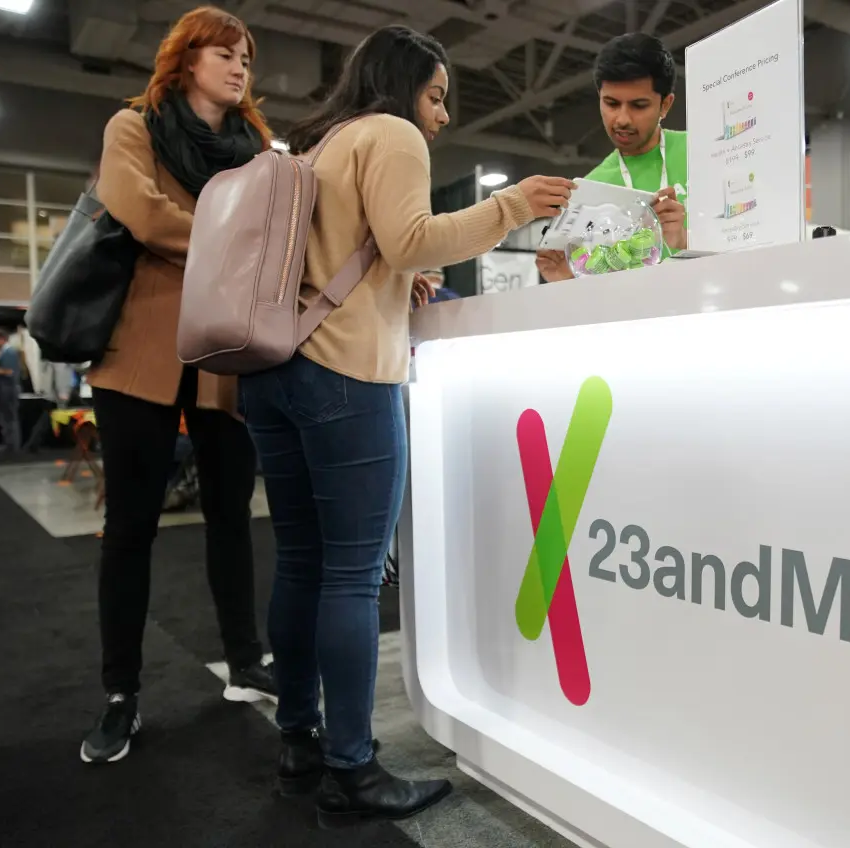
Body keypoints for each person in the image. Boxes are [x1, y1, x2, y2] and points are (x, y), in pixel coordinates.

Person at [238, 24, 573, 827]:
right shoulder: (390, 134)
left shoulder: (322, 144)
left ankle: (300, 743)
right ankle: (353, 770)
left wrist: (399, 282)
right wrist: (511, 205)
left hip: (273, 374)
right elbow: (409, 238)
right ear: (403, 88)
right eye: (436, 96)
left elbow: (362, 256)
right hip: (346, 375)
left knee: (302, 563)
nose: (444, 117)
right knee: (352, 577)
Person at [79, 5, 275, 765]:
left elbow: (282, 230)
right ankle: (121, 695)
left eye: (246, 59)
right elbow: (141, 216)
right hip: (140, 352)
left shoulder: (256, 147)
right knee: (131, 527)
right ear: (186, 59)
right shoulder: (133, 126)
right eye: (223, 53)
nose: (238, 67)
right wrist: (240, 243)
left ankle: (245, 660)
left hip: (228, 353)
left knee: (233, 514)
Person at [537, 33, 688, 282]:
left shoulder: (702, 151)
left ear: (665, 105)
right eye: (611, 103)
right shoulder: (588, 192)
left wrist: (684, 241)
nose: (622, 119)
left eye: (639, 105)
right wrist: (566, 281)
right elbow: (596, 288)